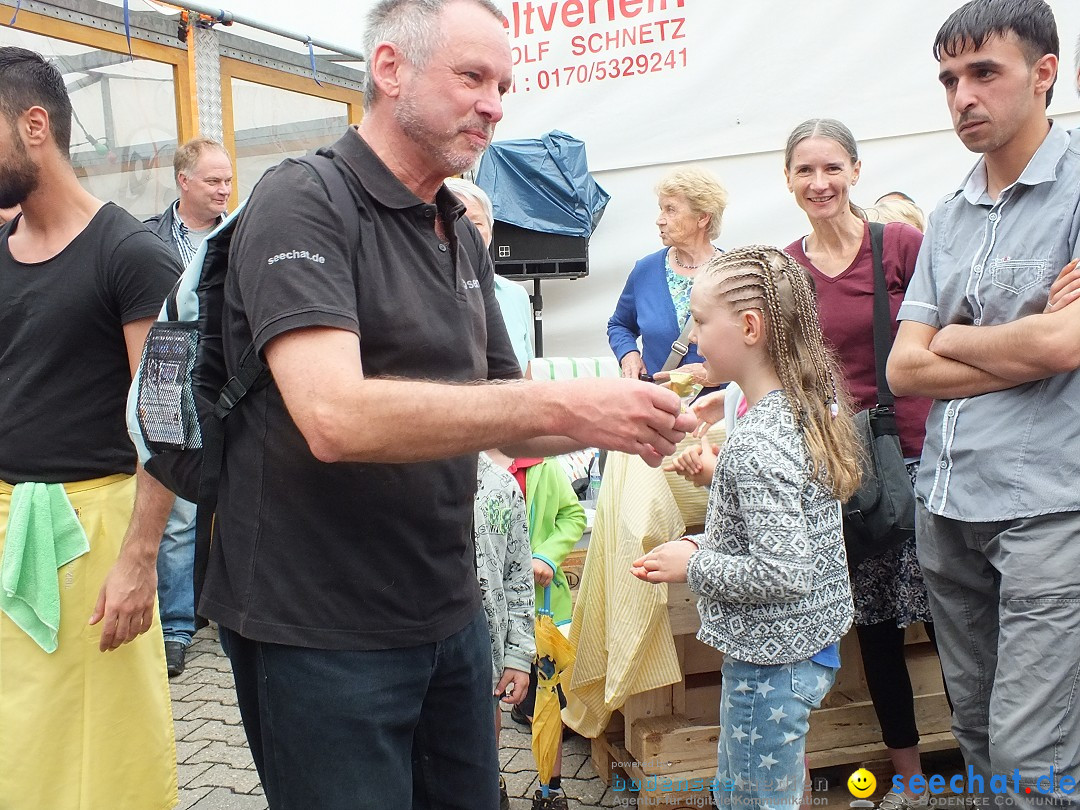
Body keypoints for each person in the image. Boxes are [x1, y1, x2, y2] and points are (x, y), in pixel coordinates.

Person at [196, 1, 695, 808]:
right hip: (318, 626)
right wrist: (571, 408)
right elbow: (334, 417)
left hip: (446, 607)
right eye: (472, 77)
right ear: (390, 70)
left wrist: (632, 418)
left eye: (503, 83)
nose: (496, 103)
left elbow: (502, 398)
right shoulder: (304, 201)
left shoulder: (455, 227)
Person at [886, 1, 1080, 804]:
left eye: (983, 73)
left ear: (1044, 73)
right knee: (973, 732)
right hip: (945, 503)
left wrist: (950, 339)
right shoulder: (949, 212)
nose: (962, 94)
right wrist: (1024, 336)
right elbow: (903, 369)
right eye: (948, 79)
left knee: (1032, 754)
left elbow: (1064, 348)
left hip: (1045, 509)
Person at [0, 47, 180, 808]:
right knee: (19, 732)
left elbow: (169, 425)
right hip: (9, 521)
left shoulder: (137, 257)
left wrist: (140, 559)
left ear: (32, 124)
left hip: (99, 530)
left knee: (106, 744)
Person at [631, 246, 860, 810]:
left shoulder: (758, 441)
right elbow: (785, 533)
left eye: (701, 321)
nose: (694, 337)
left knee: (753, 801)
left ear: (750, 328)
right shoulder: (803, 407)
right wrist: (701, 539)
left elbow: (783, 570)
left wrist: (695, 564)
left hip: (771, 664)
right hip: (802, 651)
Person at [783, 119, 935, 810]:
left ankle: (996, 763)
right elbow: (786, 371)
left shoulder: (901, 244)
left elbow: (958, 317)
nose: (820, 183)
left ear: (856, 170)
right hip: (849, 471)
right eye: (805, 170)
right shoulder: (786, 270)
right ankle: (910, 783)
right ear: (788, 179)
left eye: (832, 168)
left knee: (952, 620)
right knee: (876, 630)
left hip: (925, 455)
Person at [143, 136, 233, 677]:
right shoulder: (148, 239)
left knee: (237, 499)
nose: (225, 189)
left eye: (227, 180)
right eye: (214, 181)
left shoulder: (240, 234)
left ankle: (229, 616)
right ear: (184, 181)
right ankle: (176, 628)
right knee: (177, 512)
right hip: (169, 386)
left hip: (227, 383)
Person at [505, 454, 585, 810]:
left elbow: (572, 515)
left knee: (547, 698)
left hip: (542, 608)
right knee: (489, 696)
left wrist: (547, 556)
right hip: (487, 604)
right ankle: (490, 782)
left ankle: (550, 791)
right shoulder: (469, 461)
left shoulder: (544, 466)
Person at [607, 167, 727, 385]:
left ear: (702, 218)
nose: (660, 220)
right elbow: (619, 325)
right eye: (661, 209)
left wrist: (713, 374)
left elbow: (755, 349)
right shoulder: (645, 270)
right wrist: (628, 354)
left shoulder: (734, 275)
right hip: (658, 408)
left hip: (719, 410)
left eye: (670, 210)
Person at [473, 450, 534, 810]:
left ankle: (490, 778)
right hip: (421, 656)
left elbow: (518, 574)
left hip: (488, 652)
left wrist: (519, 653)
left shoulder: (502, 485)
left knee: (486, 718)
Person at [445, 176, 534, 372]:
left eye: (476, 224)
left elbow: (525, 368)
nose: (467, 234)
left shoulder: (516, 294)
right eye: (458, 223)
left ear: (491, 230)